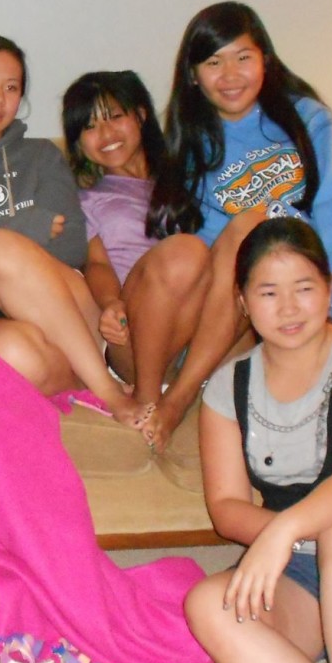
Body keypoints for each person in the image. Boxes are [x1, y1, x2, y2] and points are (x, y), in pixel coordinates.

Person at [144, 1, 332, 452]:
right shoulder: (192, 149)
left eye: (243, 57)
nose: (230, 75)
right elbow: (205, 250)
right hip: (239, 312)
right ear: (192, 75)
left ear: (264, 57)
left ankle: (182, 394)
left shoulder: (309, 121)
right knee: (246, 227)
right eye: (213, 62)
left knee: (253, 226)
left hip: (310, 297)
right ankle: (184, 392)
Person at [0, 33, 151, 430]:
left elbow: (72, 245)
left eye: (11, 87)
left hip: (67, 303)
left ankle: (106, 389)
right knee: (9, 354)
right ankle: (80, 382)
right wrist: (32, 224)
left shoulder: (41, 156)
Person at [184, 217, 332, 663]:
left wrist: (288, 529)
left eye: (303, 287)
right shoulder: (228, 386)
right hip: (300, 572)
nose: (288, 308)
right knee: (209, 603)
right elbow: (226, 507)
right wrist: (287, 541)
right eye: (268, 293)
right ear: (242, 302)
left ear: (328, 288)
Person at [63, 70, 210, 441]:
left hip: (206, 334)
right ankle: (148, 396)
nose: (107, 133)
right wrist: (111, 303)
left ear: (141, 116)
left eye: (115, 116)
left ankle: (179, 394)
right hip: (136, 336)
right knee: (185, 251)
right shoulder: (86, 199)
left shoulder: (189, 178)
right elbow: (96, 263)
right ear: (78, 142)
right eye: (90, 126)